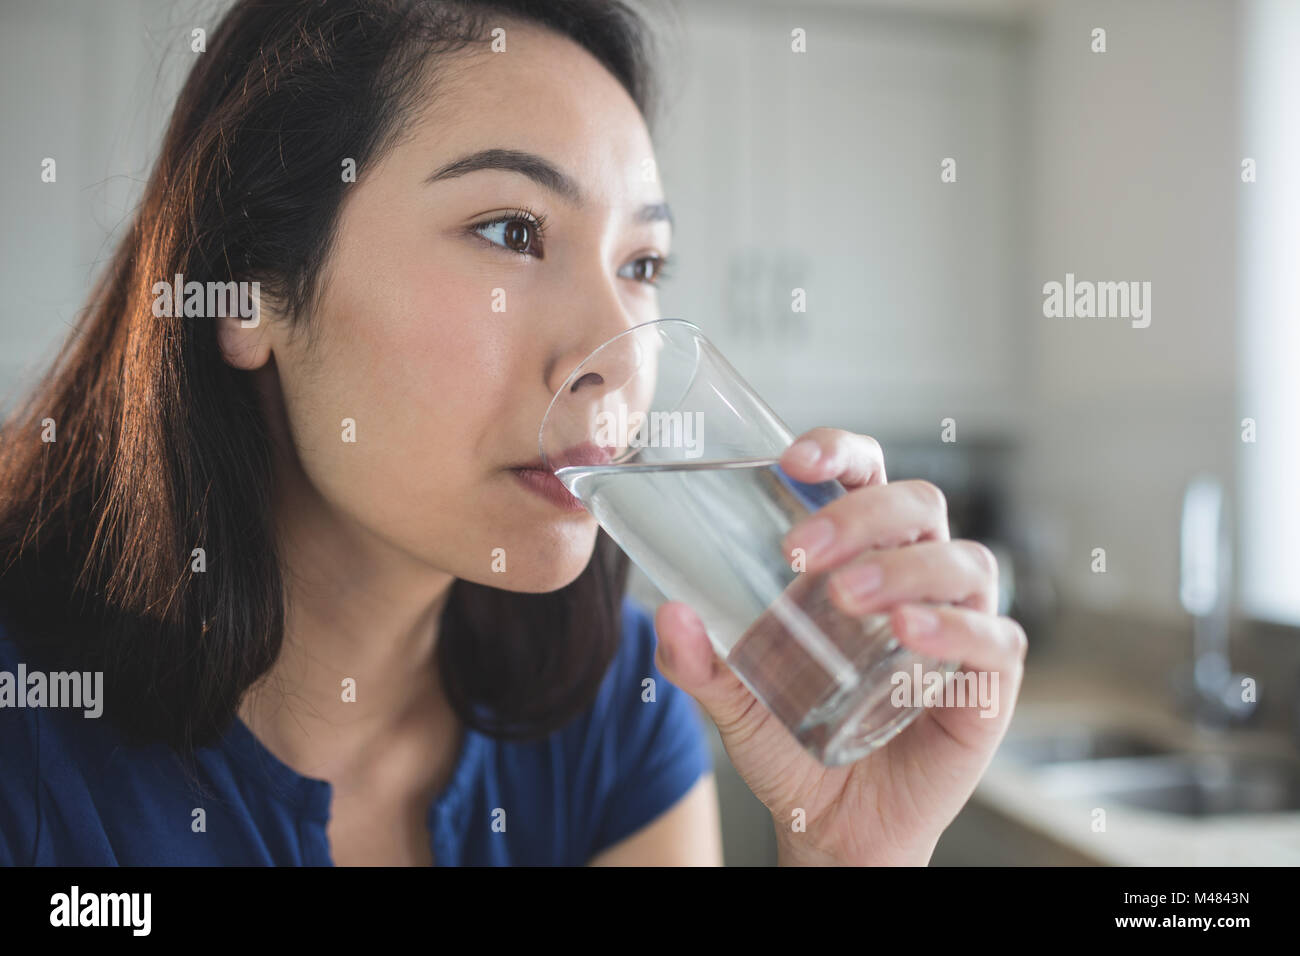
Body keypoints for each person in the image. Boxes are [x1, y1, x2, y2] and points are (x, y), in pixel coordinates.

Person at [0, 0, 1025, 866]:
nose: (619, 354)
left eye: (641, 264)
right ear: (250, 290)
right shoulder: (33, 746)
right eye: (511, 231)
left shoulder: (618, 708)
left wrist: (846, 856)